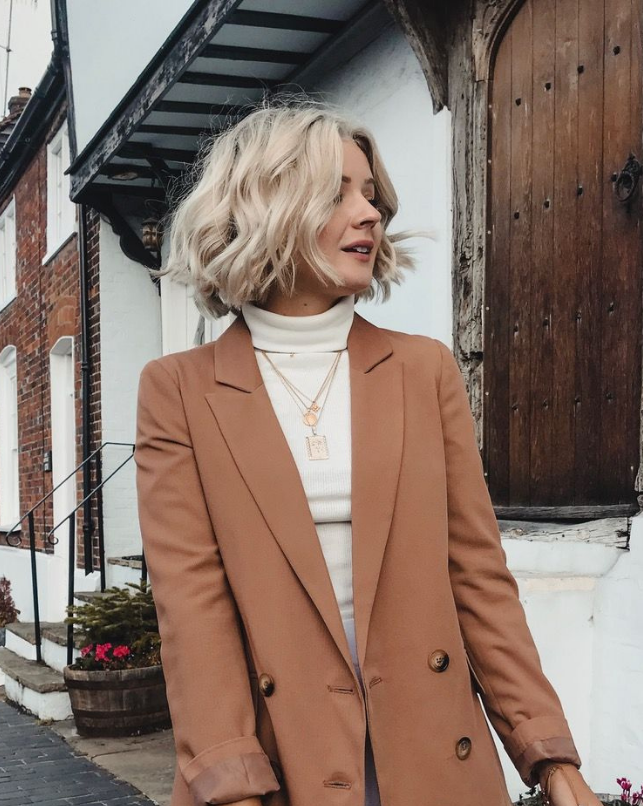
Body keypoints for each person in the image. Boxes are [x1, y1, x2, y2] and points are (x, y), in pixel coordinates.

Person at [134, 97, 600, 806]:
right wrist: (229, 777)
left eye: (371, 194)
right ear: (264, 208)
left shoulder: (422, 369)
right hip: (279, 757)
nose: (370, 214)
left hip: (432, 751)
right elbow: (191, 608)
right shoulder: (178, 390)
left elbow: (477, 576)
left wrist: (549, 756)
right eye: (338, 193)